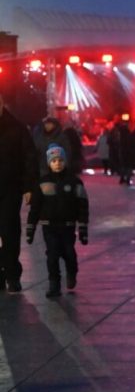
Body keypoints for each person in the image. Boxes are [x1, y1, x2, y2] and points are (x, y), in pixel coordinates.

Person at [25, 144, 89, 298]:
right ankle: (54, 284)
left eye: (60, 160)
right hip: (50, 227)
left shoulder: (74, 182)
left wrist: (83, 229)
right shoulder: (43, 183)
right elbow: (35, 208)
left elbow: (82, 206)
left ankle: (72, 272)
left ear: (65, 161)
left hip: (67, 226)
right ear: (49, 163)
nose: (57, 163)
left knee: (69, 253)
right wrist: (30, 228)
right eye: (54, 161)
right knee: (52, 255)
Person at [0, 91, 38, 293]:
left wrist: (28, 187)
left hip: (9, 189)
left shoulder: (16, 128)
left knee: (9, 232)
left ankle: (12, 275)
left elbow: (29, 157)